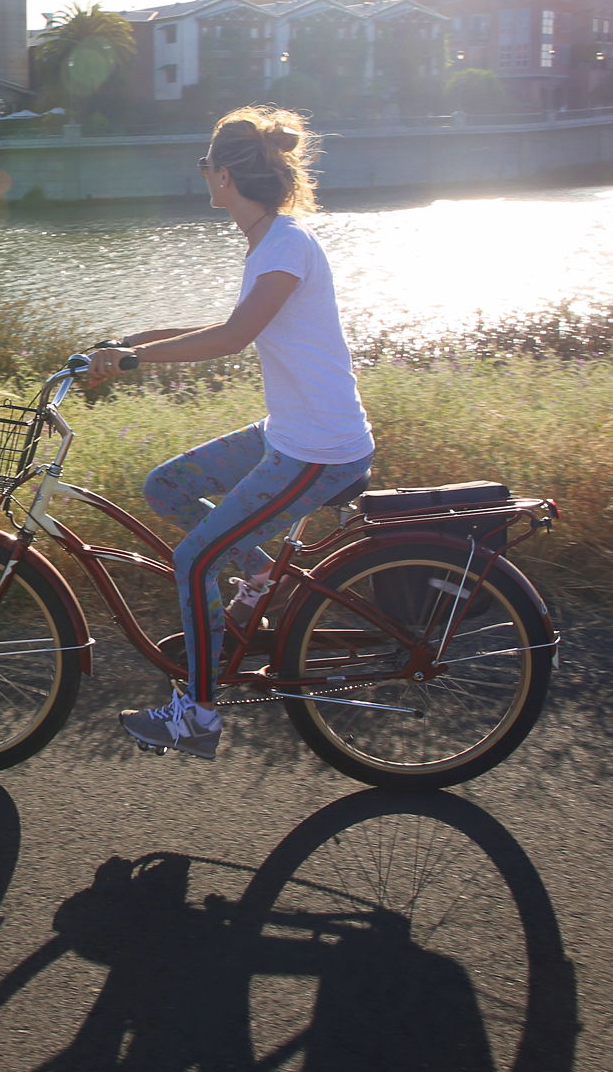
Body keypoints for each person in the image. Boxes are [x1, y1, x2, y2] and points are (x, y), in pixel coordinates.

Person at [86, 105, 374, 761]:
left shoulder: (287, 246)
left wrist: (132, 361)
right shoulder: (268, 242)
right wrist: (128, 339)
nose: (201, 176)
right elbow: (229, 322)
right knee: (167, 486)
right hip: (290, 434)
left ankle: (199, 714)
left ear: (222, 175)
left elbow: (233, 337)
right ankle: (261, 575)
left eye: (204, 166)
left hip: (320, 450)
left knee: (193, 559)